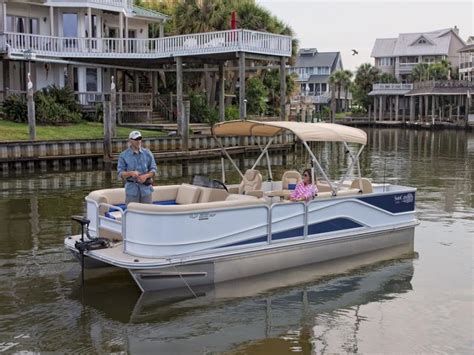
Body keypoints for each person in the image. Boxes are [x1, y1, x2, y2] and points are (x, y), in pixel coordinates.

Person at [117, 130, 157, 204]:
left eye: (139, 139)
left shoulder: (148, 153)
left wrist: (146, 176)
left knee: (147, 212)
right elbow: (120, 173)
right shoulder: (123, 155)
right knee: (132, 213)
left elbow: (154, 169)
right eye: (136, 139)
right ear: (130, 140)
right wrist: (130, 173)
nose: (138, 141)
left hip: (146, 190)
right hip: (132, 191)